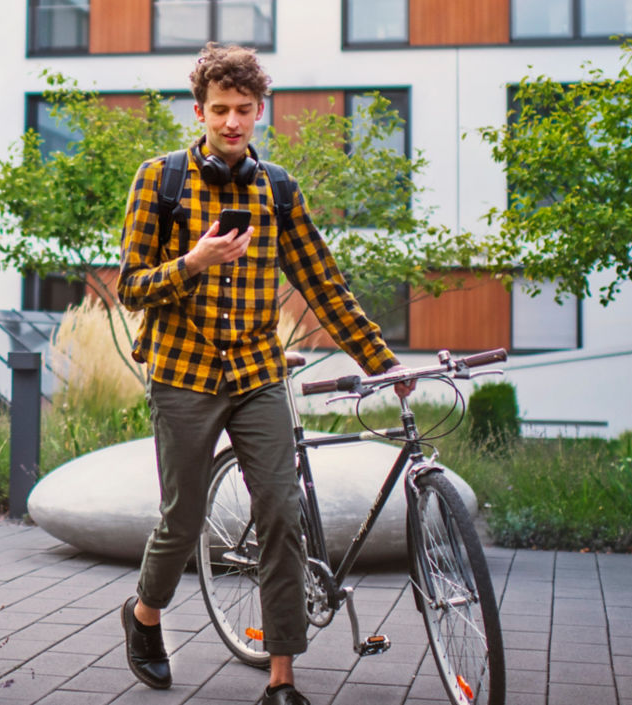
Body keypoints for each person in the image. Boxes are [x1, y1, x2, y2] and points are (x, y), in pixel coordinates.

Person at [113, 43, 410, 705]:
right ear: (200, 110)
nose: (231, 122)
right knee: (182, 517)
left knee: (282, 512)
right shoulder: (158, 179)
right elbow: (131, 286)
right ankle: (145, 614)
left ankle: (281, 679)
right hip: (183, 373)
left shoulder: (277, 188)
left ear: (258, 112)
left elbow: (325, 285)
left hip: (256, 372)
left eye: (244, 110)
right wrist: (193, 261)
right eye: (220, 109)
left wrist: (381, 361)